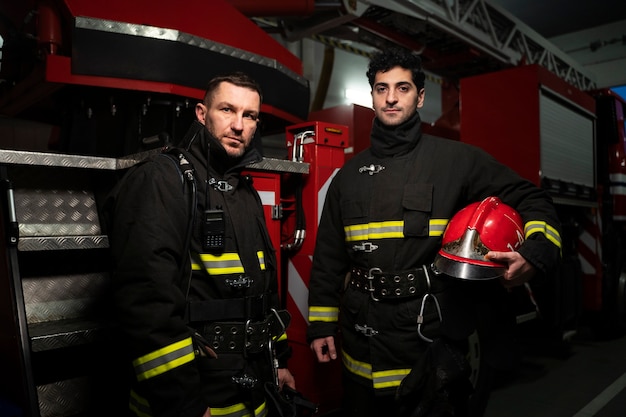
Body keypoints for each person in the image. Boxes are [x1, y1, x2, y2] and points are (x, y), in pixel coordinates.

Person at [306, 48, 562, 417]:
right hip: (360, 345)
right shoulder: (349, 176)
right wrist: (320, 325)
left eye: (402, 88)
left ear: (420, 96)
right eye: (381, 88)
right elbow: (329, 256)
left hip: (429, 340)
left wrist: (534, 254)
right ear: (372, 95)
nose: (391, 97)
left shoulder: (458, 161)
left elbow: (531, 199)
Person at [106, 72, 295, 417]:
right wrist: (184, 404)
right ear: (201, 113)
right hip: (194, 394)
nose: (238, 125)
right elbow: (146, 303)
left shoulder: (243, 190)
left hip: (252, 383)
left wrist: (278, 360)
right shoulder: (162, 179)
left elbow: (263, 289)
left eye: (249, 115)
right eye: (227, 110)